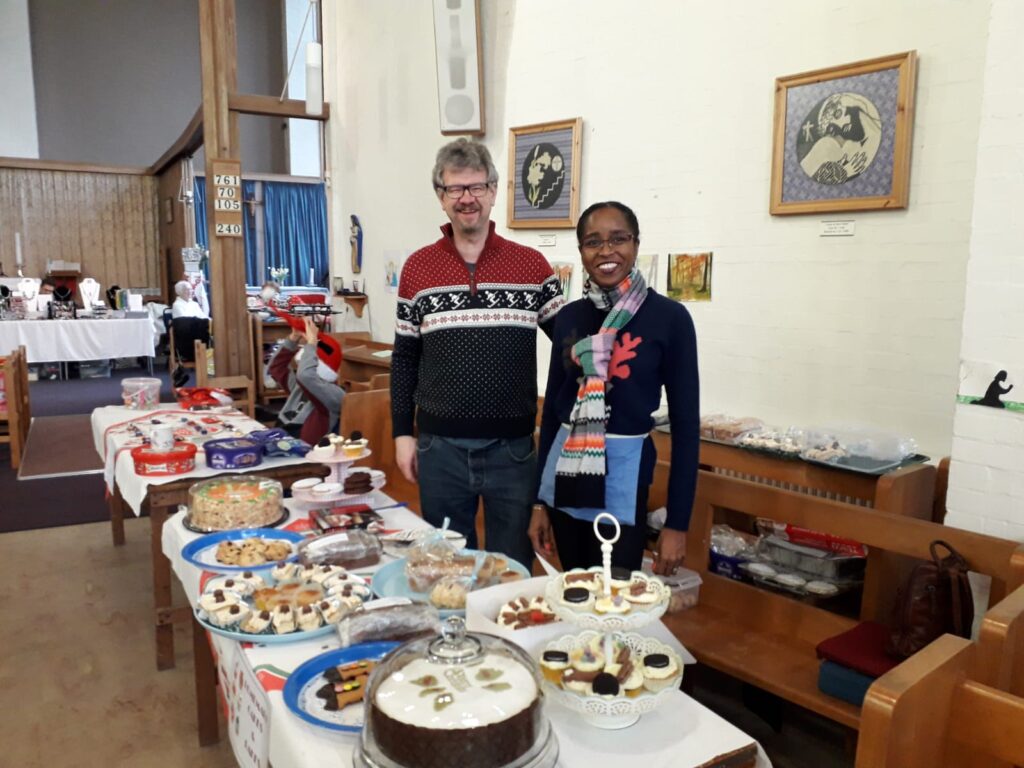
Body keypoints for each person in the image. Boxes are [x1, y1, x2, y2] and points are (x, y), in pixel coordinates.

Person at [391, 137, 566, 570]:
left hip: (513, 451)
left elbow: (568, 343)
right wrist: (402, 433)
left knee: (511, 569)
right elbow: (404, 359)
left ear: (492, 192)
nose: (467, 198)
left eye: (476, 187)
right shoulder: (418, 269)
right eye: (455, 189)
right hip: (440, 449)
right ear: (440, 197)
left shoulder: (532, 267)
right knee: (446, 569)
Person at [528, 201, 700, 576]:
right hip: (566, 473)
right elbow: (554, 413)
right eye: (593, 242)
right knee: (573, 587)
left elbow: (687, 428)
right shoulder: (570, 316)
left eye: (618, 239)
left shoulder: (669, 319)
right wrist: (539, 503)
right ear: (581, 252)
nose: (606, 251)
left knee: (616, 595)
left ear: (636, 245)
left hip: (625, 475)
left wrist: (677, 524)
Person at [268, 316, 345, 445]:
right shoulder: (301, 385)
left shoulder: (334, 395)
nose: (300, 365)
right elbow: (276, 368)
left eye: (305, 361)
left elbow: (306, 375)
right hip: (281, 441)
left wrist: (312, 344)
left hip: (305, 454)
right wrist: (293, 338)